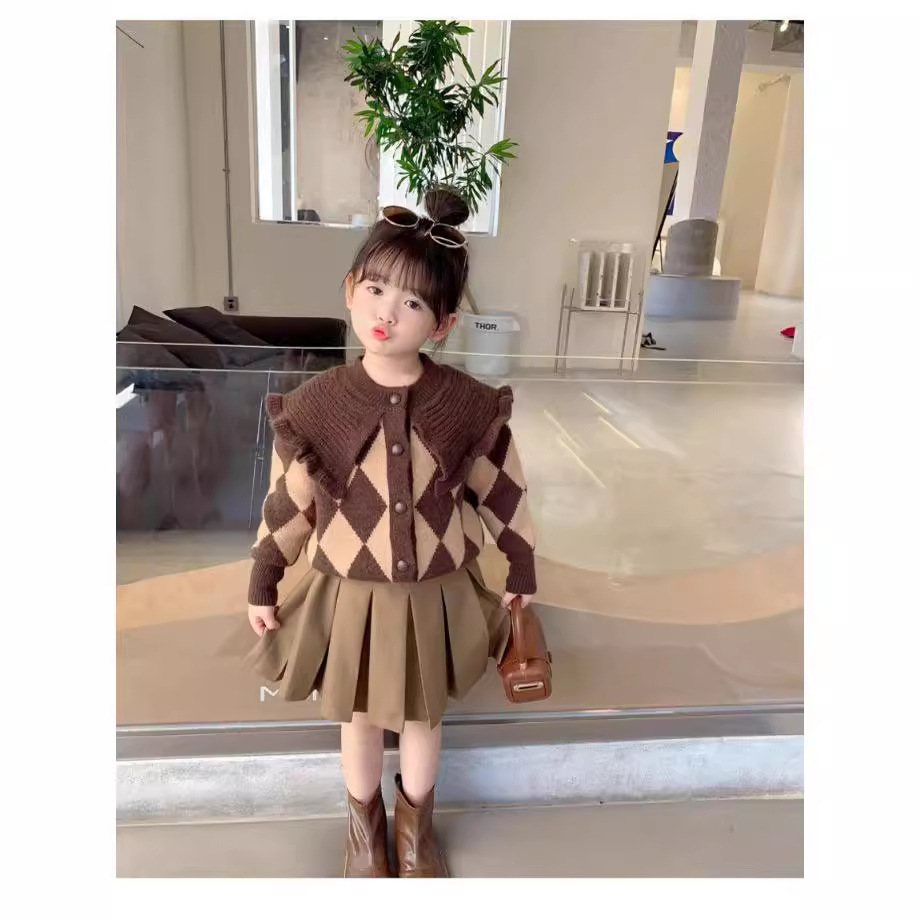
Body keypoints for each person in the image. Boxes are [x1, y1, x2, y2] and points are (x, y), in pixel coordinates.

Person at [245, 188, 537, 878]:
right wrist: (264, 576)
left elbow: (502, 489)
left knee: (423, 718)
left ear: (442, 323)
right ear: (351, 289)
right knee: (359, 718)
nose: (386, 313)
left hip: (435, 593)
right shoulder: (316, 406)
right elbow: (289, 503)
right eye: (375, 289)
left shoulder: (467, 405)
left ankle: (415, 834)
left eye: (411, 302)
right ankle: (364, 836)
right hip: (351, 595)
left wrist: (520, 565)